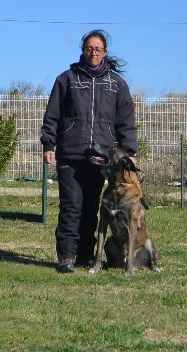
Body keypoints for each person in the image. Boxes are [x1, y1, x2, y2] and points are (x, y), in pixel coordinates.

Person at [40, 29, 138, 273]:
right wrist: (49, 144)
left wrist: (129, 151)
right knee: (71, 205)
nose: (93, 53)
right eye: (88, 48)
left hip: (101, 157)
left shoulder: (116, 84)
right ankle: (66, 256)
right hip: (70, 154)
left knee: (91, 208)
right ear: (82, 50)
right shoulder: (67, 79)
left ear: (105, 53)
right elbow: (52, 115)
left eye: (98, 49)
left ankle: (85, 254)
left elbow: (125, 121)